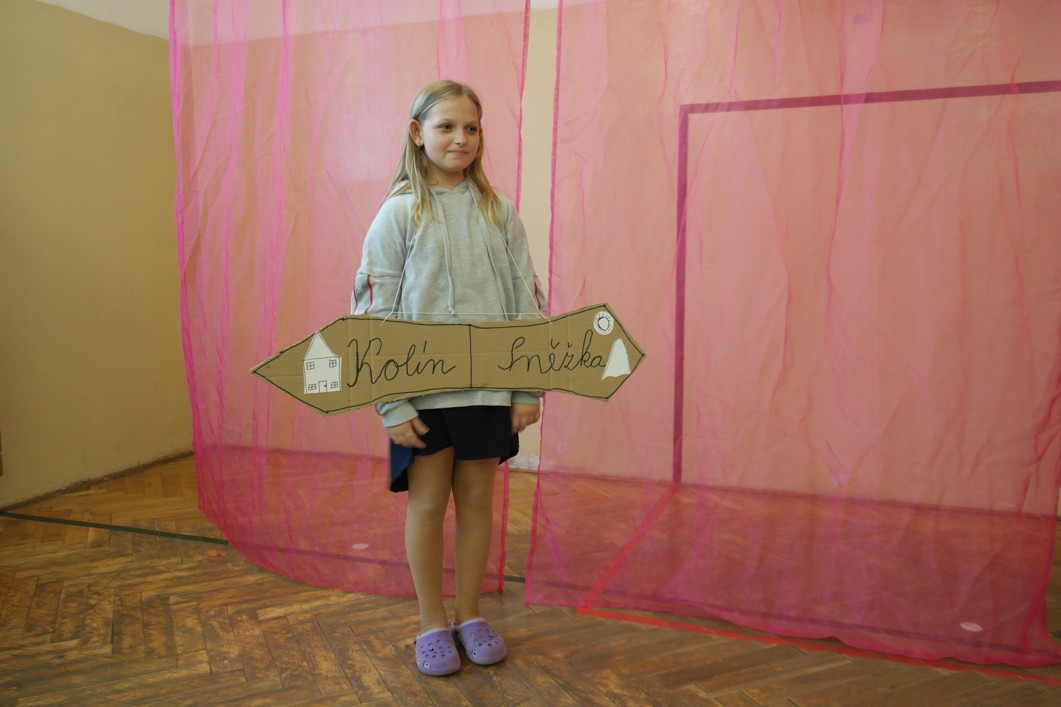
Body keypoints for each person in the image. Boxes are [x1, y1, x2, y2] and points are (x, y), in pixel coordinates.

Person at [350, 80, 545, 676]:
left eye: (471, 128)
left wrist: (526, 386)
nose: (461, 138)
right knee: (429, 502)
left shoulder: (498, 210)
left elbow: (525, 299)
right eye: (446, 127)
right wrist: (391, 403)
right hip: (420, 395)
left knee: (479, 500)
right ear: (417, 133)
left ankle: (470, 615)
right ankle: (431, 622)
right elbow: (373, 313)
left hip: (488, 389)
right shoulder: (398, 212)